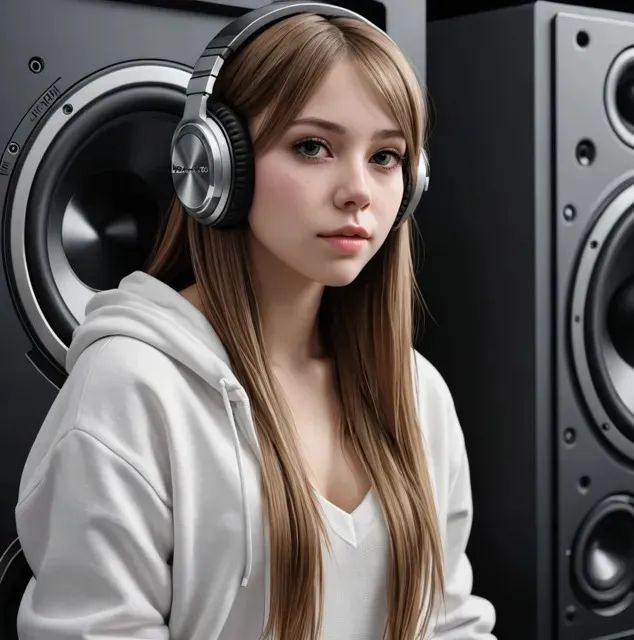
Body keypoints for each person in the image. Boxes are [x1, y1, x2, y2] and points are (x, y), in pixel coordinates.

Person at [15, 4, 497, 640]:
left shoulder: (417, 393)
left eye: (386, 157)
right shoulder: (129, 391)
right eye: (312, 147)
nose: (359, 189)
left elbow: (449, 622)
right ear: (216, 166)